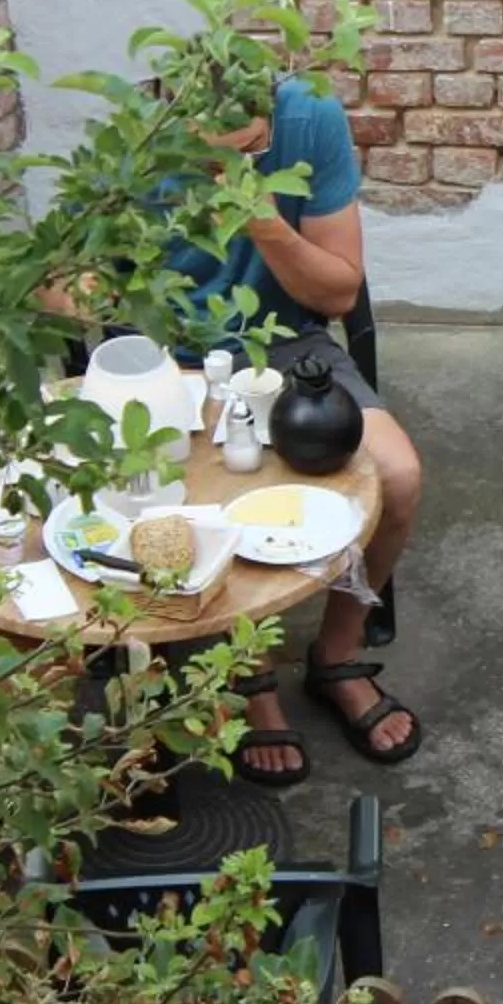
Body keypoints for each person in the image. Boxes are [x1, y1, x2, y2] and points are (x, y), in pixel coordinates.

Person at [169, 73, 426, 783]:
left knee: (397, 476)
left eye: (252, 148)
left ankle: (336, 653)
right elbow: (76, 282)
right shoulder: (131, 143)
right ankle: (248, 673)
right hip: (172, 357)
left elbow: (338, 292)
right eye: (213, 155)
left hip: (286, 343)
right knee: (220, 498)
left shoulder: (308, 118)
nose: (233, 165)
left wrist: (257, 214)